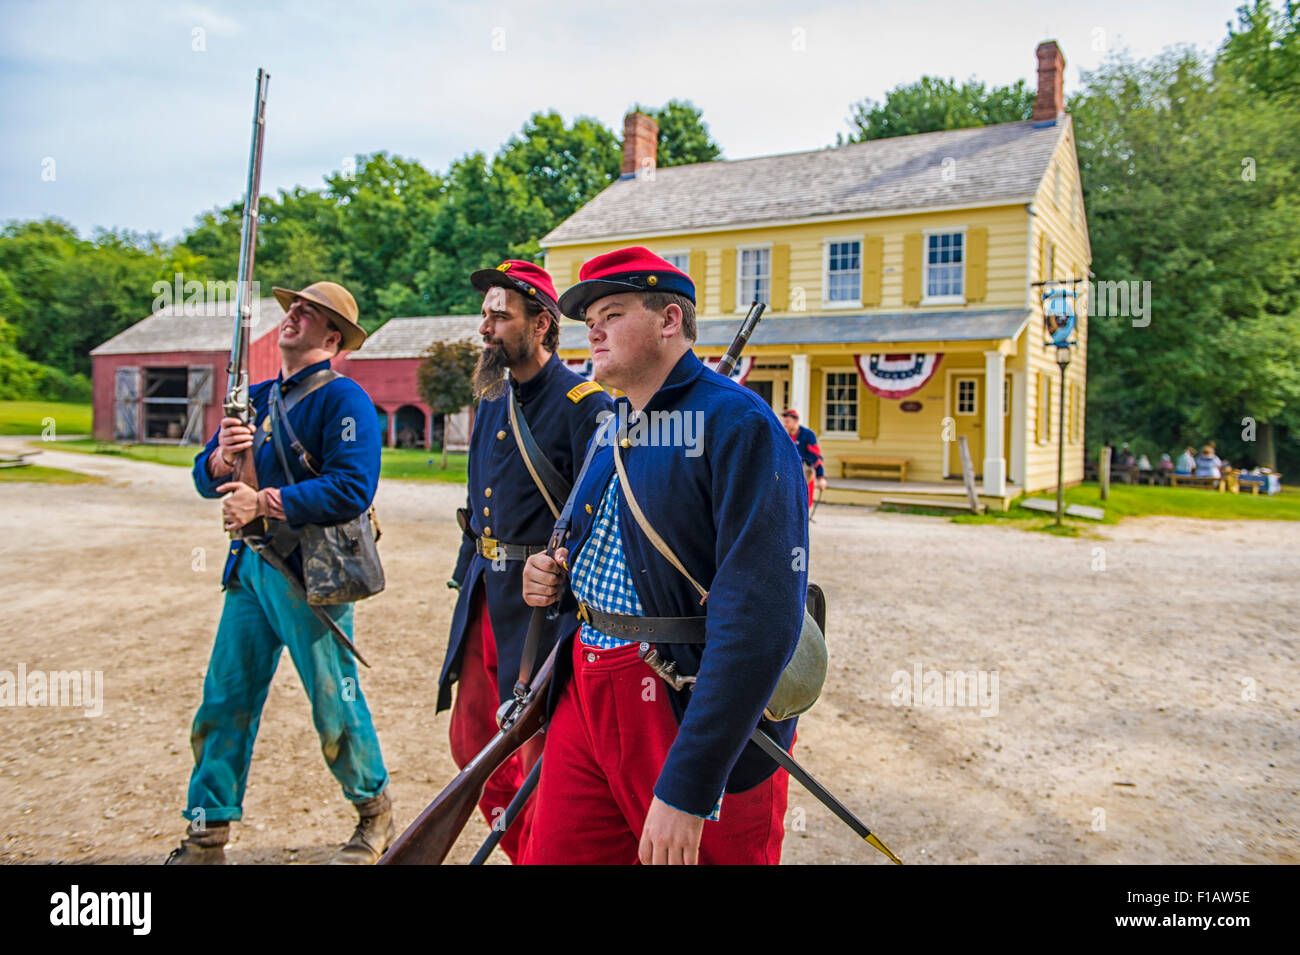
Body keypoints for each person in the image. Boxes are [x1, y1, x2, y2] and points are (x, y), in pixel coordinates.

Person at [520, 247, 808, 865]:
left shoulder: (739, 424)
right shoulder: (611, 424)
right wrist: (556, 576)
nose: (593, 329)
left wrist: (690, 784)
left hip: (685, 699)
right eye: (589, 317)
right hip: (587, 689)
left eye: (613, 312)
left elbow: (760, 621)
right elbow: (607, 549)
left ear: (670, 319)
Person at [170, 281, 389, 865]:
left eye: (309, 312)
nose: (292, 315)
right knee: (224, 701)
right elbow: (204, 474)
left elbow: (351, 487)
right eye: (293, 307)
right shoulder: (259, 396)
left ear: (332, 336)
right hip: (248, 571)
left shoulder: (345, 401)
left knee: (333, 704)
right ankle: (207, 832)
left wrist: (262, 503)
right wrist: (219, 458)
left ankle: (374, 813)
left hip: (307, 574)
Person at [437, 260, 612, 864]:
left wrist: (568, 580)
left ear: (541, 324)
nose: (484, 327)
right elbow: (475, 503)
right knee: (472, 744)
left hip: (544, 610)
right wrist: (467, 575)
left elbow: (602, 517)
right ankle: (521, 846)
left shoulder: (584, 405)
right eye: (484, 313)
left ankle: (539, 849)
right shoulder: (491, 401)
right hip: (486, 596)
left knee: (535, 750)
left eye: (499, 315)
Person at [780, 408, 827, 507]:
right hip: (788, 474)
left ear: (795, 421)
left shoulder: (807, 435)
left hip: (805, 473)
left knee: (804, 504)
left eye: (787, 421)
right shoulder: (783, 435)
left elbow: (816, 456)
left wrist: (820, 477)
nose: (785, 424)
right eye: (784, 422)